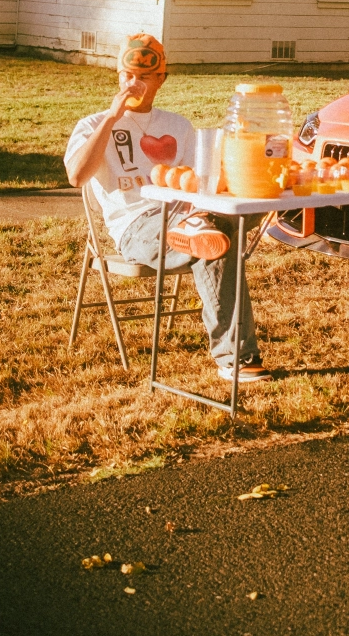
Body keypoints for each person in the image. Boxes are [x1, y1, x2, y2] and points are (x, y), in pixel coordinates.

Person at [65, 33, 268, 384]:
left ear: (161, 79)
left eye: (143, 77)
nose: (132, 84)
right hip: (136, 227)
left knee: (232, 216)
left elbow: (197, 183)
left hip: (186, 212)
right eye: (126, 76)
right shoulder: (92, 125)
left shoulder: (178, 125)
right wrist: (111, 119)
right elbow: (77, 176)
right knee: (216, 237)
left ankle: (199, 227)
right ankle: (236, 357)